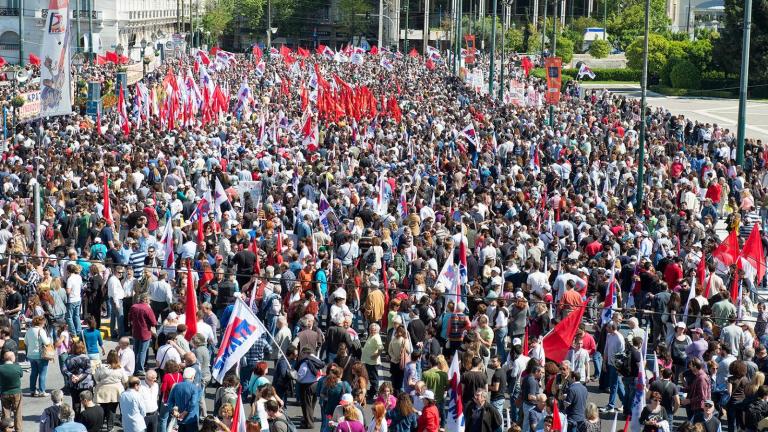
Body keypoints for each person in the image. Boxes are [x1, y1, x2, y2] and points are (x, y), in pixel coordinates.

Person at [93, 350, 127, 431]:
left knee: (103, 409)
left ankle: (100, 426)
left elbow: (96, 378)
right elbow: (125, 380)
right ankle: (110, 427)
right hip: (116, 391)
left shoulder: (101, 367)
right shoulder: (120, 368)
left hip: (103, 390)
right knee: (112, 410)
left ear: (108, 357)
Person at [128, 293, 157, 375]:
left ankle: (133, 367)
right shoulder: (147, 309)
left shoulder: (133, 307)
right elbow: (154, 322)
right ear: (145, 299)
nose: (150, 302)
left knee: (135, 351)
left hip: (135, 332)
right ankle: (140, 369)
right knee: (142, 352)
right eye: (149, 300)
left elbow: (129, 318)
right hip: (145, 332)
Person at [62, 340, 94, 415]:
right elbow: (88, 371)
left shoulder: (69, 358)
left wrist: (71, 375)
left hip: (73, 384)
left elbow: (64, 370)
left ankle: (77, 420)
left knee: (76, 403)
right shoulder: (86, 358)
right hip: (86, 384)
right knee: (87, 402)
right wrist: (79, 377)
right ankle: (88, 418)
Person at [25, 314, 52, 397]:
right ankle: (41, 391)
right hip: (40, 355)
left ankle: (32, 390)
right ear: (41, 323)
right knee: (42, 374)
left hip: (31, 355)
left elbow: (26, 342)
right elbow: (46, 342)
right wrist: (50, 339)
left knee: (33, 373)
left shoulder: (29, 330)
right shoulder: (41, 330)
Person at [167, 368, 200, 432]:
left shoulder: (176, 386)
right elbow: (193, 403)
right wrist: (185, 412)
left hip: (179, 418)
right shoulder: (194, 387)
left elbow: (170, 401)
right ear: (192, 377)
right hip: (191, 419)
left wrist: (174, 411)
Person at [0, 351, 22, 431]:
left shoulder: (1, 368)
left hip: (4, 392)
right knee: (17, 412)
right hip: (16, 392)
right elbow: (21, 375)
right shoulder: (17, 367)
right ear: (11, 358)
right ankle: (18, 429)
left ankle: (6, 428)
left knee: (5, 412)